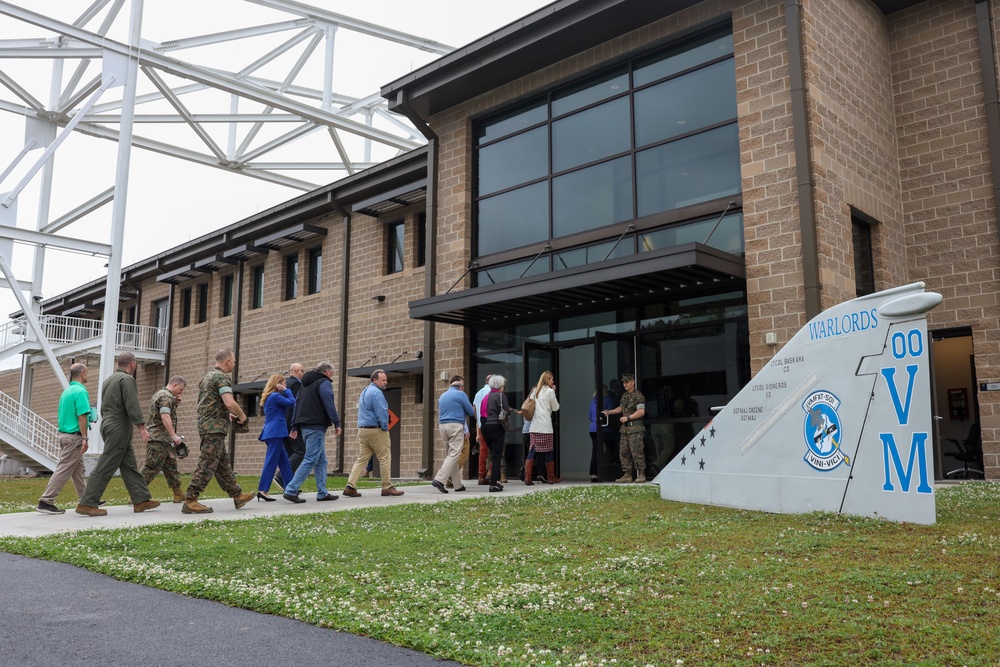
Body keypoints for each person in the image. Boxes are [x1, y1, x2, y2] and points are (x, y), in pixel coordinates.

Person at [76, 353, 160, 516]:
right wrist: (142, 427)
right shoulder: (127, 380)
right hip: (119, 425)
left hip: (108, 423)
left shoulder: (109, 380)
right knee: (106, 464)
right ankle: (87, 502)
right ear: (133, 364)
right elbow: (132, 404)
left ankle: (141, 499)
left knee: (129, 465)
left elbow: (103, 406)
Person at [182, 349, 256, 514]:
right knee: (207, 463)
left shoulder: (207, 377)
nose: (235, 364)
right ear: (228, 361)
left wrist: (224, 414)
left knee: (222, 465)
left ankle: (237, 495)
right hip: (213, 429)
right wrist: (242, 416)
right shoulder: (222, 378)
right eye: (234, 361)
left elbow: (209, 403)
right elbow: (229, 402)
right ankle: (190, 499)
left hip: (208, 425)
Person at [37, 363, 95, 514]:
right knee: (64, 468)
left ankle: (87, 498)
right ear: (82, 373)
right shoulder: (81, 392)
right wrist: (85, 438)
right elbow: (82, 416)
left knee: (78, 469)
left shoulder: (67, 391)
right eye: (87, 372)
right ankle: (46, 501)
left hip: (64, 436)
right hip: (74, 437)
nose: (88, 375)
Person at [282, 362, 342, 503]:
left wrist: (295, 426)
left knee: (321, 460)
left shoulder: (305, 384)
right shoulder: (324, 382)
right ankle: (291, 489)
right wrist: (337, 422)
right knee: (310, 458)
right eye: (332, 373)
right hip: (316, 424)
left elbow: (298, 404)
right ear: (327, 372)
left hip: (305, 424)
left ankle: (322, 492)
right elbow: (329, 401)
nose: (332, 375)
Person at [343, 369, 403, 498]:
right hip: (376, 430)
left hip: (363, 430)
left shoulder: (365, 391)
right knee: (385, 458)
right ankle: (387, 487)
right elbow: (382, 412)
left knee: (361, 459)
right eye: (383, 380)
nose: (385, 382)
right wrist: (385, 427)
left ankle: (350, 486)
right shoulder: (376, 393)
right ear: (374, 380)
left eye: (386, 380)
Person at [140, 376, 187, 504]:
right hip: (159, 439)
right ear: (175, 385)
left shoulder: (162, 395)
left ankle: (178, 494)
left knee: (171, 467)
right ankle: (136, 494)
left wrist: (175, 404)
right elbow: (165, 416)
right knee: (151, 467)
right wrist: (174, 435)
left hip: (163, 440)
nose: (180, 392)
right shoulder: (166, 397)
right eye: (181, 389)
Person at [431, 375, 475, 494]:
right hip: (455, 425)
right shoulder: (461, 394)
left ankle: (458, 485)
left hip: (442, 427)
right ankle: (439, 479)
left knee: (451, 455)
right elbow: (471, 411)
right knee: (454, 454)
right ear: (460, 387)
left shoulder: (442, 396)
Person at [256, 373, 295, 502]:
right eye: (283, 383)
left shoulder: (270, 396)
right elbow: (292, 402)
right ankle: (263, 490)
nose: (285, 385)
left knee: (284, 462)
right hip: (275, 433)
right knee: (271, 461)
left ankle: (290, 488)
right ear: (277, 384)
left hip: (273, 432)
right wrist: (287, 391)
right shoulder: (275, 396)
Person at [603, 373, 647, 483]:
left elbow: (641, 412)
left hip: (635, 429)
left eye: (627, 382)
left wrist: (628, 417)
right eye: (623, 382)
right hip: (625, 430)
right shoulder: (625, 396)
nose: (625, 384)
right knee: (623, 452)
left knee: (637, 452)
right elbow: (621, 408)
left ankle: (641, 474)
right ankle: (627, 475)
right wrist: (610, 412)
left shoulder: (638, 396)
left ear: (633, 382)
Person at [526, 370, 560, 485]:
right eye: (551, 379)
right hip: (545, 426)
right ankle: (551, 477)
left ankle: (528, 477)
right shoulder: (550, 391)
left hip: (534, 426)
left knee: (532, 450)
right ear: (547, 380)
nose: (553, 381)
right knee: (549, 451)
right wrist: (554, 392)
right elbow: (556, 407)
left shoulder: (535, 391)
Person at [274, 362, 305, 489]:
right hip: (291, 424)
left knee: (290, 453)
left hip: (283, 423)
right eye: (303, 371)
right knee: (300, 451)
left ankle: (289, 484)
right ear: (297, 371)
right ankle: (280, 477)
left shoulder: (286, 384)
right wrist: (295, 426)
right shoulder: (296, 384)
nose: (304, 373)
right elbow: (296, 406)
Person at [480, 374, 511, 492]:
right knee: (497, 456)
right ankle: (494, 484)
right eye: (503, 385)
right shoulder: (500, 395)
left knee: (493, 454)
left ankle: (494, 480)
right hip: (496, 427)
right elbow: (506, 410)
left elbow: (481, 413)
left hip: (485, 427)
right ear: (500, 386)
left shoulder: (485, 397)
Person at [588, 386, 616, 483]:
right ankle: (616, 468)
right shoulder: (608, 400)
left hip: (592, 429)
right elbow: (611, 413)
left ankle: (594, 473)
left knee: (595, 451)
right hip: (604, 429)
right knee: (614, 448)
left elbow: (589, 416)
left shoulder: (592, 402)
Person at [472, 374, 492, 485]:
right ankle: (491, 472)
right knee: (495, 450)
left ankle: (481, 474)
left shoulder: (478, 393)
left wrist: (478, 421)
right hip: (492, 424)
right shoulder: (492, 392)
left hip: (481, 425)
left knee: (483, 451)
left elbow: (474, 410)